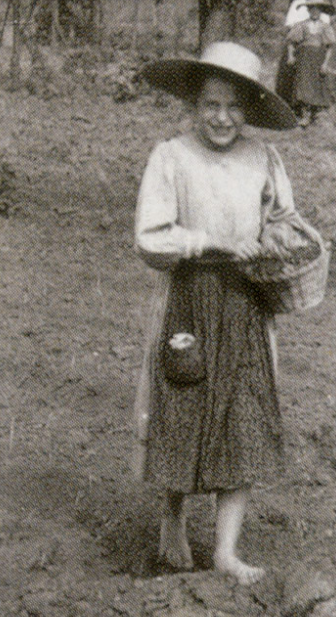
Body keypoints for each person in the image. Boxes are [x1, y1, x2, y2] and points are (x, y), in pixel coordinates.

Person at [133, 42, 300, 585]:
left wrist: (275, 235)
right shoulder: (172, 157)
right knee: (183, 406)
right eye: (210, 104)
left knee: (245, 416)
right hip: (190, 300)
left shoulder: (263, 159)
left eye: (233, 106)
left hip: (246, 304)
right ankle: (173, 518)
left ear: (248, 109)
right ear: (194, 104)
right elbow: (150, 237)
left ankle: (227, 550)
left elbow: (282, 217)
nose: (221, 117)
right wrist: (215, 242)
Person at [286, 0, 336, 126]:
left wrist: (325, 63)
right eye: (312, 9)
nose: (315, 12)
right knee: (303, 83)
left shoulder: (325, 27)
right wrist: (291, 55)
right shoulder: (301, 25)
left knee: (317, 84)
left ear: (321, 11)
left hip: (318, 58)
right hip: (304, 58)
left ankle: (316, 114)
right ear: (308, 10)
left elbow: (330, 46)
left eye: (318, 9)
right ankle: (304, 114)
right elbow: (291, 42)